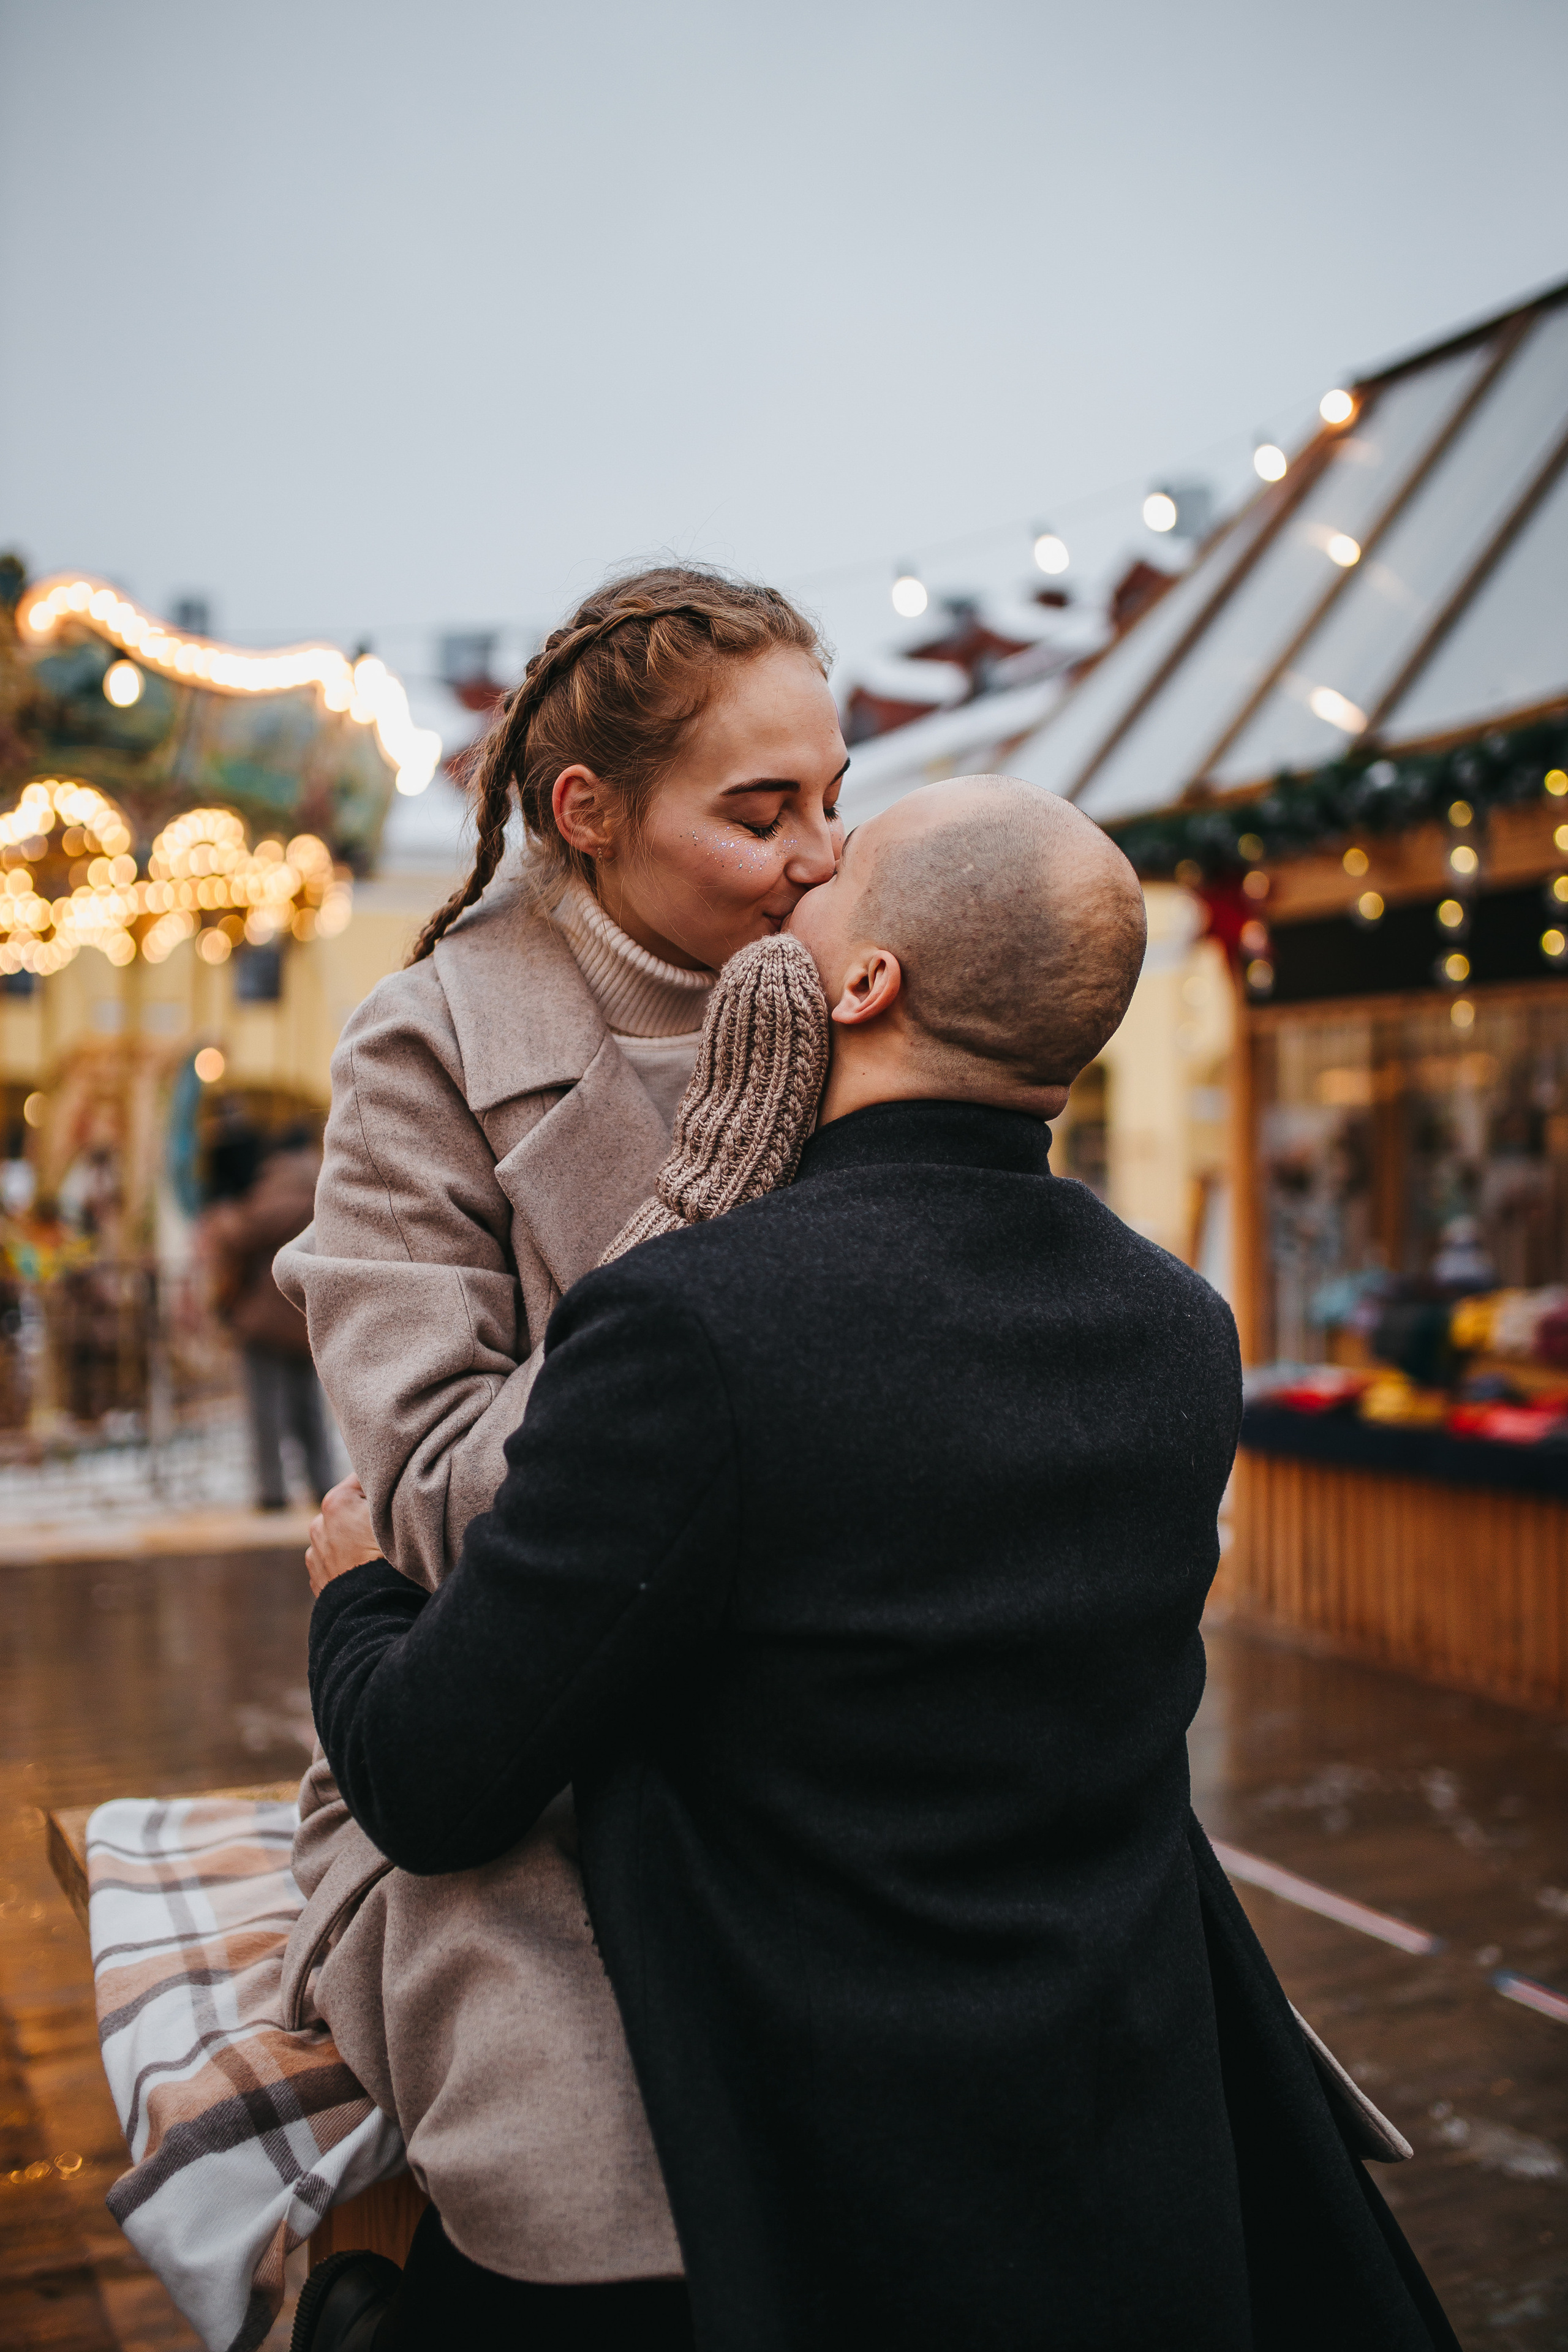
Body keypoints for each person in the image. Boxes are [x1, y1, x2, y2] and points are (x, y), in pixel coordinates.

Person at [303, 778, 1460, 2352]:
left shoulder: (697, 1324)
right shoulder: (1177, 1321)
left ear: (860, 988)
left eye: (825, 887)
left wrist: (359, 1588)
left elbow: (435, 1773)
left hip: (826, 2162)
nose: (790, 887)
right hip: (1122, 2120)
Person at [274, 567, 846, 2337]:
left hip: (842, 1724)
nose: (824, 857)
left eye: (837, 795)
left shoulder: (848, 981)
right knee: (611, 2210)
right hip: (529, 1766)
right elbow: (430, 1504)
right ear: (587, 817)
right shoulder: (432, 1048)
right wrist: (701, 1206)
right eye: (763, 814)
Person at [205, 1125, 333, 1509]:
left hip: (267, 1321)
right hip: (307, 1318)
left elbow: (240, 1236)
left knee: (267, 1411)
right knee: (308, 1410)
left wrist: (225, 1220)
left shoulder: (276, 1189)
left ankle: (272, 1490)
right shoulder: (326, 1185)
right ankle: (322, 1483)